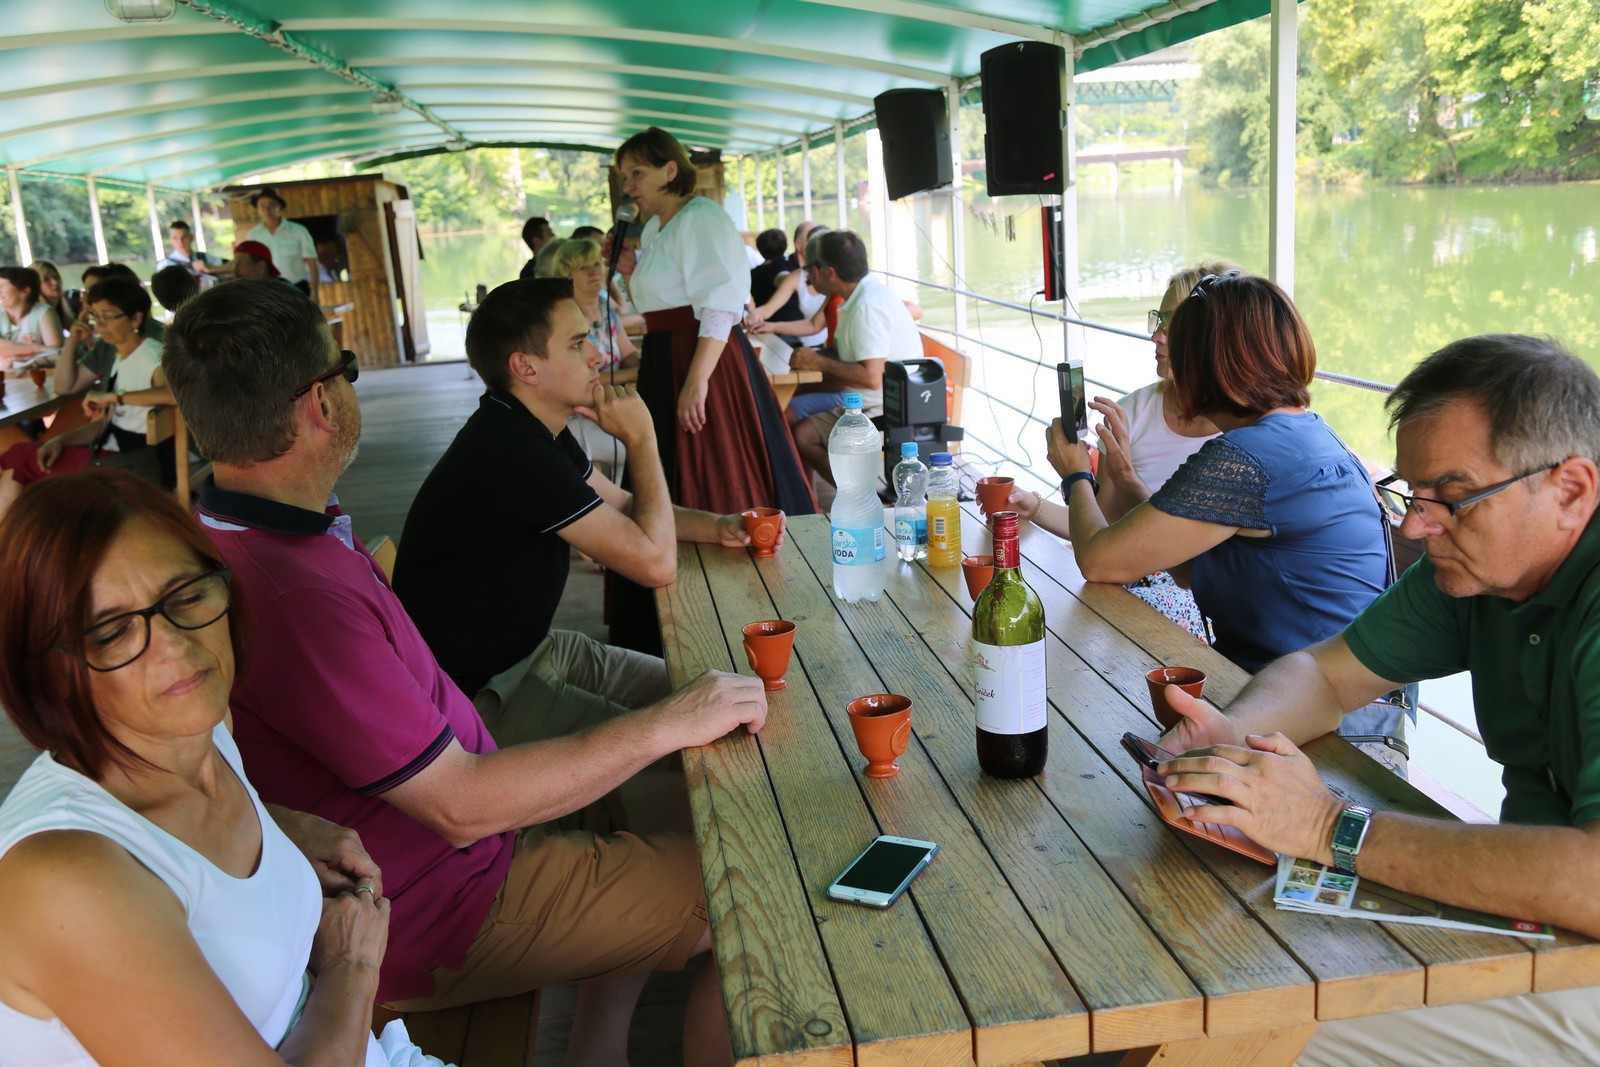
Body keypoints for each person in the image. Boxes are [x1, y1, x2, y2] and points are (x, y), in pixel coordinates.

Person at [162, 279, 765, 1065]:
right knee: (747, 883)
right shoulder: (295, 594)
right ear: (321, 404)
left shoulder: (271, 533)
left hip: (444, 851)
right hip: (442, 904)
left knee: (677, 804)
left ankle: (598, 1053)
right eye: (347, 368)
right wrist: (669, 722)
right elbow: (459, 805)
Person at [1156, 334, 1600, 1066]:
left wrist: (1326, 824)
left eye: (1452, 498)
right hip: (1532, 927)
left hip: (1578, 954)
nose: (1414, 527)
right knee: (1230, 965)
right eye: (1412, 494)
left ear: (1572, 490)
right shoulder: (1481, 568)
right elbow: (1327, 674)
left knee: (1247, 1031)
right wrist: (1231, 735)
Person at [0, 469, 447, 1067]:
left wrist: (276, 824)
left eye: (186, 596)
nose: (177, 647)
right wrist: (353, 966)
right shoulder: (64, 881)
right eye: (110, 631)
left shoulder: (203, 734)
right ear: (47, 674)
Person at [395, 276, 784, 718]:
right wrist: (642, 438)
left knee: (726, 693)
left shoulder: (530, 427)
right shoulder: (514, 452)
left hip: (534, 652)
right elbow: (656, 564)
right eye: (578, 344)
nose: (598, 355)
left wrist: (720, 527)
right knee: (711, 730)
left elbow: (624, 505)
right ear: (526, 367)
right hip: (477, 699)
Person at [1050, 271, 1397, 756]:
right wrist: (1125, 478)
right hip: (1329, 703)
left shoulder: (1246, 457)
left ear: (1210, 367)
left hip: (1330, 729)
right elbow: (1188, 567)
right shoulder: (1310, 434)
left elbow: (1098, 560)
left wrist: (1075, 474)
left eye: (1183, 352)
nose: (1171, 363)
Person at [1008, 262, 1232, 634]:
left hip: (1201, 606)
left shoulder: (1240, 435)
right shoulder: (1131, 415)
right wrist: (1034, 505)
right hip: (1124, 587)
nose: (1157, 337)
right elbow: (1102, 529)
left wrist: (1099, 476)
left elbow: (1191, 568)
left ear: (1208, 334)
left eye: (1172, 325)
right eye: (1158, 321)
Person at [612, 126, 814, 518]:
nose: (629, 185)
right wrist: (629, 271)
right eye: (624, 176)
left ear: (670, 170)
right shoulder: (654, 228)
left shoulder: (700, 218)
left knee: (718, 464)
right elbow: (657, 305)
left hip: (703, 354)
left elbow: (720, 305)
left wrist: (697, 380)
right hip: (665, 353)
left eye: (637, 173)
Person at [0, 277, 174, 488]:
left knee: (18, 458)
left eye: (107, 316)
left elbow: (175, 396)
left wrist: (114, 397)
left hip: (132, 464)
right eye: (95, 316)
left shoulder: (152, 355)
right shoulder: (120, 355)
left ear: (135, 319)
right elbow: (92, 414)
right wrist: (59, 441)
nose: (100, 324)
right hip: (112, 452)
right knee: (24, 461)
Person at [787, 229, 922, 485]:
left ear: (829, 273)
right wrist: (811, 356)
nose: (808, 275)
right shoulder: (854, 299)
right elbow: (838, 353)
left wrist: (816, 361)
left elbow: (871, 378)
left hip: (886, 413)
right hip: (861, 406)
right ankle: (858, 492)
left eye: (812, 268)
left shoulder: (868, 306)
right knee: (804, 435)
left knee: (800, 430)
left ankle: (861, 494)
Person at [549, 238, 639, 473]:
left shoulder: (604, 306)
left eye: (597, 264)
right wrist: (634, 373)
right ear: (567, 275)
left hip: (611, 404)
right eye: (583, 268)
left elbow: (628, 352)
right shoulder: (566, 316)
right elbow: (580, 377)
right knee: (648, 439)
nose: (594, 272)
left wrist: (643, 364)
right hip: (580, 417)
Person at [246, 189, 317, 299]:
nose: (267, 209)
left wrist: (315, 292)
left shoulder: (299, 231)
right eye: (262, 206)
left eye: (271, 205)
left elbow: (312, 261)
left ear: (279, 206)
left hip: (297, 288)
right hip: (267, 290)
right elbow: (250, 264)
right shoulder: (253, 235)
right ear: (258, 210)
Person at [0, 265, 63, 365]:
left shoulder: (44, 312)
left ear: (25, 291)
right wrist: (38, 349)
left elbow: (56, 353)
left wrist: (11, 356)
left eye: (2, 287)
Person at [156, 219, 221, 285]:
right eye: (175, 238)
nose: (180, 242)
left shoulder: (203, 257)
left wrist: (211, 269)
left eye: (184, 237)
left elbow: (228, 266)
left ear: (192, 237)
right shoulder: (165, 264)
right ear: (170, 240)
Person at [28, 259, 75, 330]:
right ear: (35, 285)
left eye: (56, 277)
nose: (55, 282)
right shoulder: (38, 316)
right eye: (46, 279)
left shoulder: (63, 311)